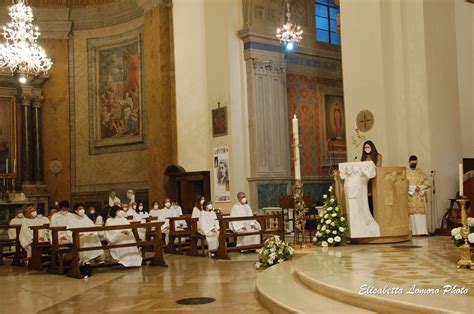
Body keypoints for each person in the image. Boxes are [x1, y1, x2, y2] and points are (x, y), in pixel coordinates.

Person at [407, 155, 431, 235]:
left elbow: (428, 182)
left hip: (419, 196)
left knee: (420, 215)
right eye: (412, 162)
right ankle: (413, 232)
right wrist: (413, 188)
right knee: (412, 214)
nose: (414, 164)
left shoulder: (420, 172)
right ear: (409, 161)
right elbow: (403, 184)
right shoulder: (406, 172)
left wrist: (420, 187)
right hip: (410, 196)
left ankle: (422, 232)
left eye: (415, 163)